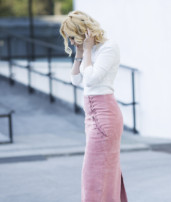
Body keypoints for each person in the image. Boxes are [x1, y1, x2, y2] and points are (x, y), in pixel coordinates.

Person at [59, 10, 128, 202]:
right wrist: (80, 54)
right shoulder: (89, 51)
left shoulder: (108, 48)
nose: (71, 42)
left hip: (105, 116)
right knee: (101, 173)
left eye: (72, 37)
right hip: (92, 117)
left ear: (83, 32)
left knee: (94, 174)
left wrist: (87, 50)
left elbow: (89, 79)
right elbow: (75, 79)